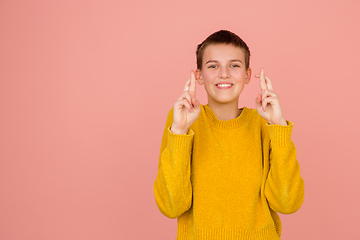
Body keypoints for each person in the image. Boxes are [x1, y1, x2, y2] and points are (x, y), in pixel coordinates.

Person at [153, 30, 304, 240]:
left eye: (234, 65)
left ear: (247, 75)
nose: (224, 74)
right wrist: (179, 132)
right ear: (198, 75)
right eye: (213, 66)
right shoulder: (183, 121)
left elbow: (287, 203)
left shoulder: (264, 123)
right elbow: (171, 206)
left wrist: (278, 126)